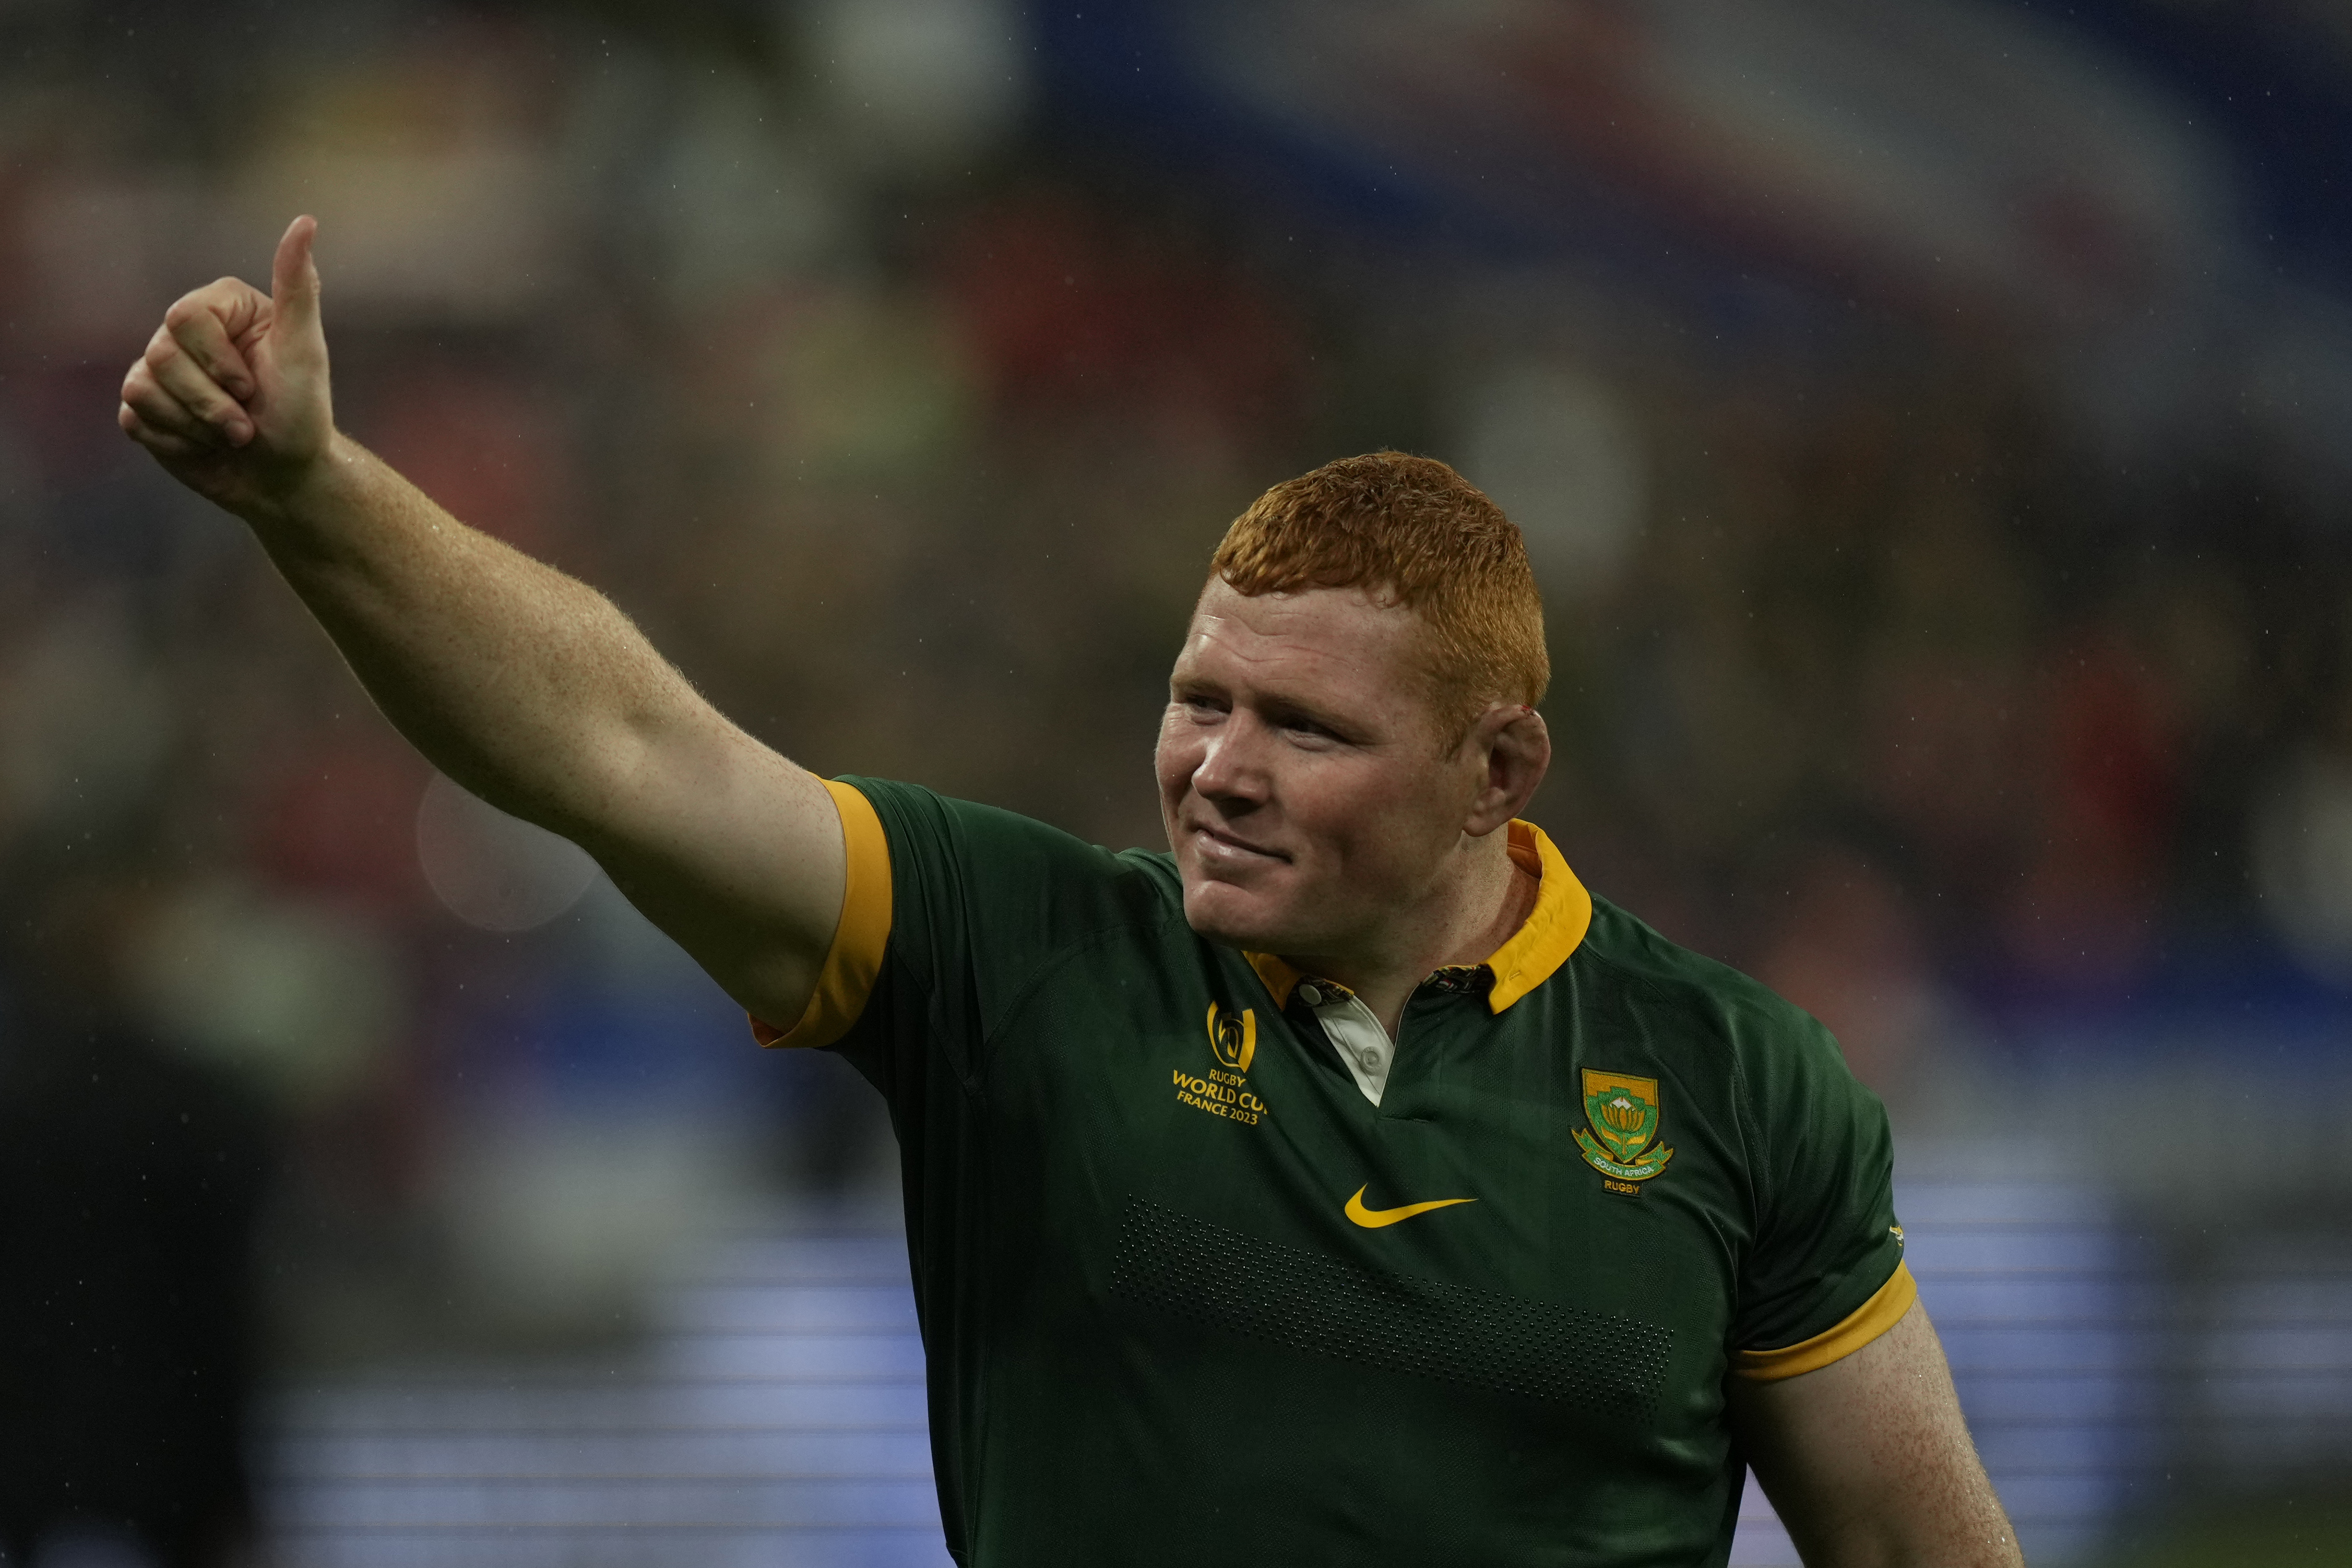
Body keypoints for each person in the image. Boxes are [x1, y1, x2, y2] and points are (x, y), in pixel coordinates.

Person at [119, 217, 2024, 1567]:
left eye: (1306, 728)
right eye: (1199, 699)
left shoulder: (1734, 1077)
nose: (1217, 767)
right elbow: (626, 750)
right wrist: (314, 494)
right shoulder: (1015, 956)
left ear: (1497, 772)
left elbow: (1907, 1541)